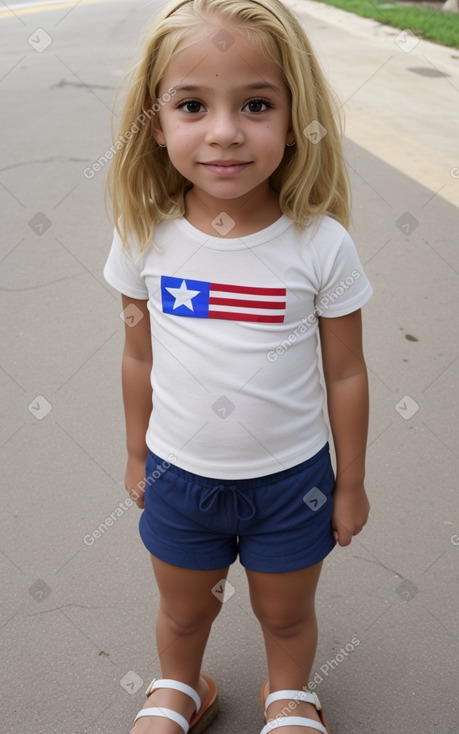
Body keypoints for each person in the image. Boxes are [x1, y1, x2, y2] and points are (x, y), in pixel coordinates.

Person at [103, 0, 373, 732]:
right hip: (178, 476)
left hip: (293, 483)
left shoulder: (320, 247)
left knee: (285, 615)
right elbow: (137, 352)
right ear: (156, 125)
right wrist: (136, 454)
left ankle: (289, 695)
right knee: (183, 610)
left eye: (256, 103)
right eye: (192, 104)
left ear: (294, 120)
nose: (224, 131)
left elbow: (346, 372)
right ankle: (179, 688)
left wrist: (348, 483)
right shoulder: (144, 241)